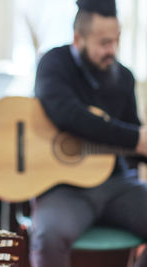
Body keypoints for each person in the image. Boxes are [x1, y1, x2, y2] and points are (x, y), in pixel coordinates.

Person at [31, 0, 147, 267]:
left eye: (116, 40)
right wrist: (135, 138)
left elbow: (134, 136)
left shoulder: (124, 77)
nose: (112, 50)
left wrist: (140, 144)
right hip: (64, 190)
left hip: (117, 185)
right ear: (78, 38)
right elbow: (68, 115)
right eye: (103, 42)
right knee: (48, 236)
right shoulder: (53, 63)